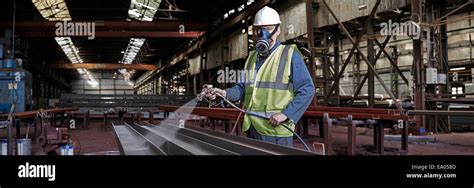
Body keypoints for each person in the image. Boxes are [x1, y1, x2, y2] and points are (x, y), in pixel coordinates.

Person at [203, 6, 315, 147]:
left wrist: (286, 114)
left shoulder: (290, 54)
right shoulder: (251, 58)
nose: (263, 34)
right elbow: (241, 89)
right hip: (252, 128)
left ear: (278, 30)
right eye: (258, 29)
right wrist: (223, 93)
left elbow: (307, 89)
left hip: (275, 130)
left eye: (268, 29)